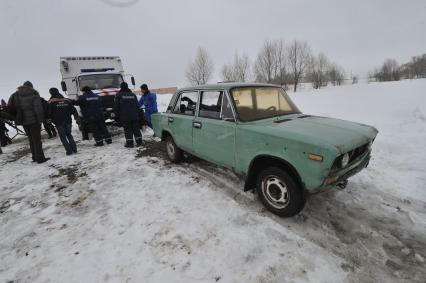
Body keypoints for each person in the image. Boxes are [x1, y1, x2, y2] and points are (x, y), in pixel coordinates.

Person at [7, 81, 49, 163]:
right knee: (37, 140)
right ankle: (40, 158)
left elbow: (9, 106)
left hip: (23, 121)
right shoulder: (34, 95)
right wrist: (41, 120)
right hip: (34, 121)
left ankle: (34, 157)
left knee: (31, 139)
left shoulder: (15, 95)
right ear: (31, 87)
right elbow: (38, 109)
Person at [48, 88, 78, 155]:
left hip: (58, 122)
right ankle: (74, 149)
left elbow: (49, 113)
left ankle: (69, 151)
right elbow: (73, 110)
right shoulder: (67, 100)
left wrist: (50, 120)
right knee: (69, 135)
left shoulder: (50, 102)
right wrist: (75, 117)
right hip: (68, 121)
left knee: (63, 136)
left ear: (51, 93)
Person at [114, 82, 142, 148]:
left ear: (121, 87)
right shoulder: (133, 95)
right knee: (136, 129)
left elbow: (116, 107)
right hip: (134, 115)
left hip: (125, 116)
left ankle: (129, 143)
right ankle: (139, 142)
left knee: (128, 130)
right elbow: (137, 106)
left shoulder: (118, 95)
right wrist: (138, 114)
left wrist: (116, 116)